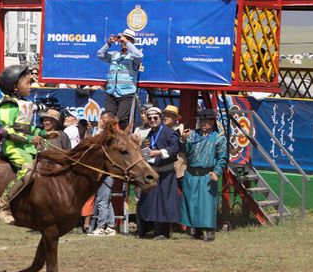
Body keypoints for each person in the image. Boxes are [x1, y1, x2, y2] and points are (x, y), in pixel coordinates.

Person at [0, 64, 52, 225]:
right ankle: (2, 204)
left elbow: (26, 128)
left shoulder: (24, 104)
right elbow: (5, 130)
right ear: (14, 87)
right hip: (14, 148)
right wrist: (28, 139)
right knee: (27, 171)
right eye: (27, 83)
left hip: (28, 148)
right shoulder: (8, 104)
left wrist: (44, 134)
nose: (31, 86)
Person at [180, 109, 228, 241]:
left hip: (207, 173)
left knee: (206, 204)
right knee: (191, 202)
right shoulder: (191, 135)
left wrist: (217, 172)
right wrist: (183, 140)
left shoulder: (218, 138)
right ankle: (195, 230)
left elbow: (222, 158)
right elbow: (184, 151)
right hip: (191, 173)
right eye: (201, 120)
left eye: (206, 120)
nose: (203, 123)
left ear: (212, 122)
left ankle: (209, 230)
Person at [136, 106, 180, 239]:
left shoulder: (169, 132)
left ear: (160, 118)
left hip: (166, 173)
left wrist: (160, 152)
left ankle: (163, 232)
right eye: (150, 118)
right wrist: (144, 147)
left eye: (155, 118)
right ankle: (147, 228)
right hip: (153, 171)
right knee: (148, 200)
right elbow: (149, 148)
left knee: (164, 202)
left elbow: (174, 148)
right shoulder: (151, 133)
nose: (152, 120)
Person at [97, 29, 143, 130]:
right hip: (111, 92)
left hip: (126, 93)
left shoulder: (133, 56)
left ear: (132, 42)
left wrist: (126, 41)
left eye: (128, 39)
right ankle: (109, 139)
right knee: (108, 118)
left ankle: (121, 138)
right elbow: (100, 55)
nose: (123, 42)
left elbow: (139, 56)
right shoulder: (114, 54)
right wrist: (108, 44)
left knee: (120, 118)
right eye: (122, 40)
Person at [89, 110, 118, 236]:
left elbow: (97, 146)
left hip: (106, 172)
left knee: (101, 200)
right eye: (101, 120)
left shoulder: (112, 135)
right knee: (106, 200)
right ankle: (110, 226)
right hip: (101, 171)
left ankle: (101, 227)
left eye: (104, 120)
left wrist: (99, 130)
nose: (102, 122)